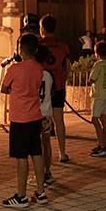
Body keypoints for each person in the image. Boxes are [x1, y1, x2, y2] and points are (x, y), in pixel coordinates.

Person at [0, 34, 49, 207]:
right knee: (36, 153)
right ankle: (41, 192)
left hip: (19, 118)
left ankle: (21, 196)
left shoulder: (14, 69)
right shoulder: (39, 68)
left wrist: (14, 90)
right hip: (35, 116)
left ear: (20, 49)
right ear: (35, 50)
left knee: (21, 156)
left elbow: (3, 88)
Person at [39, 14, 71, 163]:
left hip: (42, 88)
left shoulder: (39, 45)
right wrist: (64, 80)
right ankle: (62, 153)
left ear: (43, 29)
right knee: (59, 121)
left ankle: (44, 154)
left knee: (43, 120)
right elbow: (67, 65)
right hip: (58, 86)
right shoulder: (62, 45)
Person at [32, 45, 55, 185]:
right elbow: (52, 91)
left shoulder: (33, 73)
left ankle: (38, 174)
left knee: (36, 146)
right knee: (46, 144)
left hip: (34, 113)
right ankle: (47, 172)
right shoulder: (48, 74)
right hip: (46, 113)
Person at [89, 42, 106, 157]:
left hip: (98, 95)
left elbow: (92, 79)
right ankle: (104, 143)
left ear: (96, 53)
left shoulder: (98, 64)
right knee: (103, 119)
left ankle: (101, 145)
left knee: (94, 119)